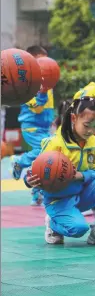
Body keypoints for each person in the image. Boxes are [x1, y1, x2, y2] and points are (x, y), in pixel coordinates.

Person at [24, 97, 95, 246]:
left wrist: (82, 176)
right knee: (79, 229)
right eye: (87, 125)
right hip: (58, 200)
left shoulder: (94, 143)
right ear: (74, 118)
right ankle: (53, 225)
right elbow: (34, 169)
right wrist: (28, 181)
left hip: (81, 195)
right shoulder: (55, 143)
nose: (91, 131)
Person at [10, 45, 54, 206]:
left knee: (43, 159)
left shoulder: (47, 80)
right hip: (31, 126)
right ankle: (20, 161)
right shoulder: (26, 83)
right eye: (40, 61)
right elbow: (37, 106)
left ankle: (37, 193)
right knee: (45, 150)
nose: (45, 65)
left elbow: (48, 106)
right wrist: (42, 93)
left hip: (44, 126)